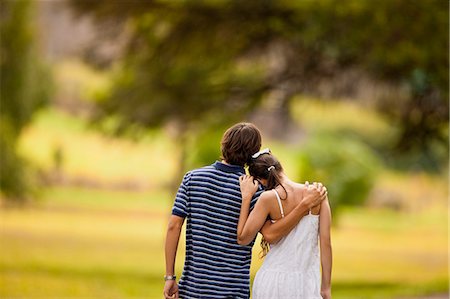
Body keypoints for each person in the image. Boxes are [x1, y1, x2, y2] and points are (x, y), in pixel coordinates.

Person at [164, 123, 327, 299]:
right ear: (253, 154)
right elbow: (270, 233)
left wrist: (170, 276)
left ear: (224, 144)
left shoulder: (192, 178)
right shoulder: (255, 190)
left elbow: (174, 226)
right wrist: (305, 205)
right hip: (233, 290)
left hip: (192, 288)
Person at [238, 149, 332, 299]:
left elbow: (243, 238)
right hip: (307, 282)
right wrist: (326, 287)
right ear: (280, 167)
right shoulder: (317, 194)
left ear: (261, 180)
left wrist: (247, 197)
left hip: (272, 280)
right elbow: (326, 243)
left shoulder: (267, 198)